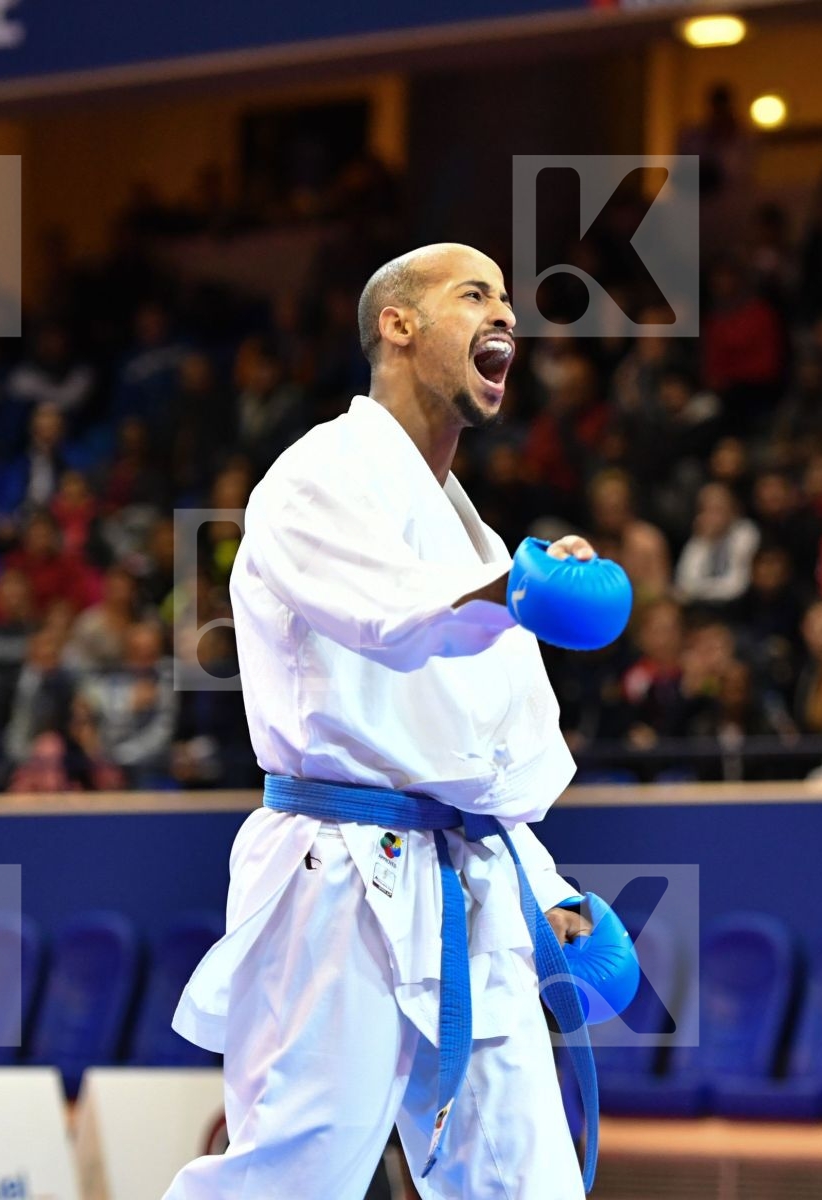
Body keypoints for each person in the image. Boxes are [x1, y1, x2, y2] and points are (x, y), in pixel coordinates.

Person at [166, 244, 633, 1200]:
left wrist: (547, 890)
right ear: (398, 323)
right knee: (297, 1175)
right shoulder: (312, 478)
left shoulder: (476, 536)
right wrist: (515, 588)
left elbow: (488, 757)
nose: (506, 315)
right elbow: (390, 615)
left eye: (509, 300)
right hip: (335, 874)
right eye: (476, 294)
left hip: (466, 883)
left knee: (526, 1181)